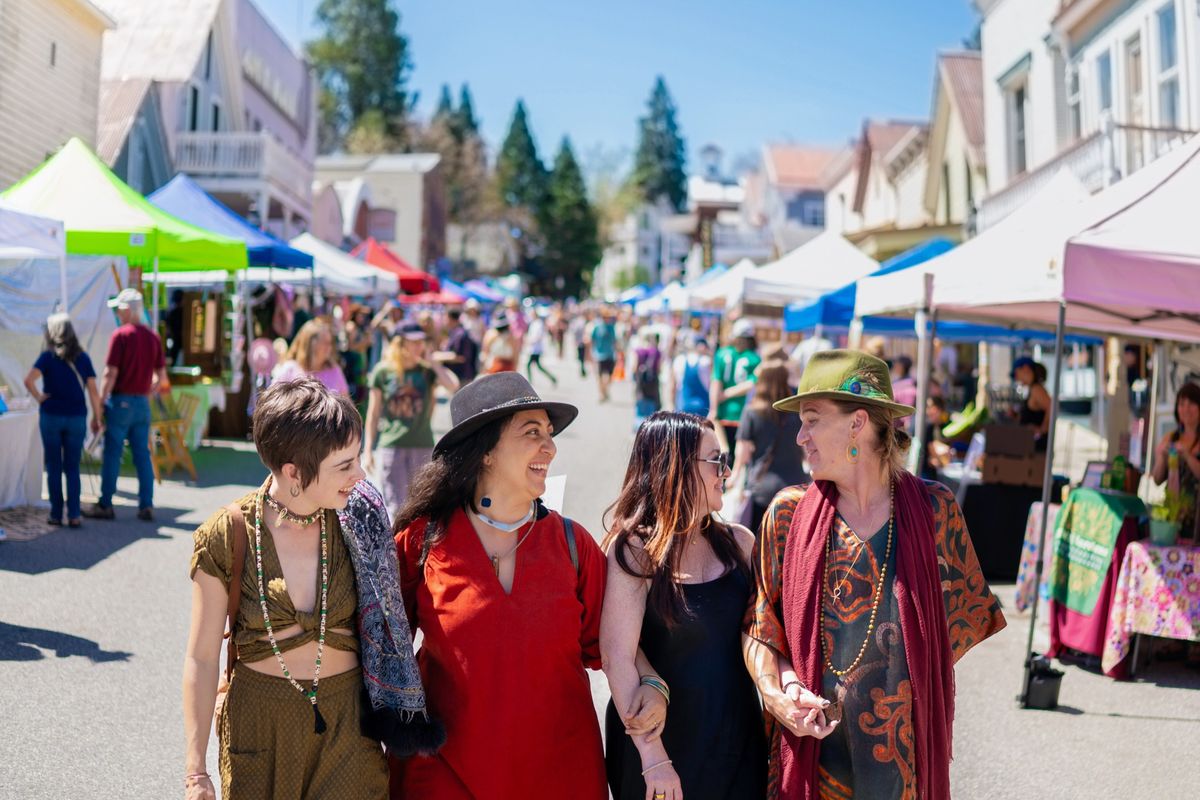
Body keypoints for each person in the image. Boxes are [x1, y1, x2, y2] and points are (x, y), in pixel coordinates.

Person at [742, 349, 1006, 800]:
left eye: (811, 420)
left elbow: (954, 631)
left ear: (857, 424)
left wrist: (898, 690)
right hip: (813, 758)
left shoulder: (935, 511)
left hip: (903, 767)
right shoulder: (787, 515)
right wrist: (780, 691)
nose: (800, 437)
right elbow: (759, 628)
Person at [390, 373, 665, 798]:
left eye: (550, 434)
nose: (550, 447)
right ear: (485, 452)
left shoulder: (574, 546)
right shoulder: (422, 542)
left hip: (561, 775)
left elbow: (613, 650)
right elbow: (384, 652)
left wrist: (653, 687)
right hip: (447, 774)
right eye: (531, 432)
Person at [183, 377, 441, 800]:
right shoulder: (227, 533)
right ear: (294, 473)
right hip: (259, 725)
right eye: (344, 465)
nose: (360, 475)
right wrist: (195, 772)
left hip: (347, 724)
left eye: (358, 460)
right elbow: (201, 655)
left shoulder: (357, 521)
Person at [601, 411, 766, 800]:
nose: (725, 472)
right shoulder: (634, 551)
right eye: (716, 462)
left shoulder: (741, 544)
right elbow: (617, 657)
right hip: (665, 748)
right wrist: (653, 757)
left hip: (738, 741)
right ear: (674, 467)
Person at [83, 289, 165, 522]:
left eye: (120, 309)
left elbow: (110, 373)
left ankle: (105, 503)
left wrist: (100, 403)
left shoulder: (121, 336)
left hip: (121, 402)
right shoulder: (153, 337)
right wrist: (149, 390)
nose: (118, 314)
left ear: (128, 310)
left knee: (113, 453)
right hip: (141, 403)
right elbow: (160, 376)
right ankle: (146, 504)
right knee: (142, 454)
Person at [364, 323, 460, 520]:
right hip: (392, 446)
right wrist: (367, 451)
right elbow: (373, 414)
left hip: (422, 445)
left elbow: (453, 385)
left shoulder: (426, 371)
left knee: (422, 505)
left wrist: (433, 362)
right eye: (413, 342)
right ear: (400, 343)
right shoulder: (383, 372)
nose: (418, 346)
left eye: (421, 342)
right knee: (395, 507)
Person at [23, 313, 103, 527]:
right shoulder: (83, 358)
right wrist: (97, 416)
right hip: (76, 417)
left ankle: (56, 514)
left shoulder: (48, 356)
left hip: (51, 415)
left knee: (54, 465)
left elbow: (28, 380)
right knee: (72, 466)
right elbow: (94, 391)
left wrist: (39, 397)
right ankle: (75, 514)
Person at [729, 359, 809, 536]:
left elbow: (742, 451)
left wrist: (735, 475)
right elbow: (805, 449)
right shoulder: (796, 413)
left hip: (761, 488)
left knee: (757, 543)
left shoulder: (752, 412)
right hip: (794, 488)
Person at [1151, 381, 1200, 539]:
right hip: (1173, 514)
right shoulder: (1170, 438)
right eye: (1181, 404)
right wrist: (1161, 457)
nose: (1186, 409)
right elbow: (1157, 480)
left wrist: (1187, 455)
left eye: (1191, 403)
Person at [711, 319, 760, 449]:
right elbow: (751, 383)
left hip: (723, 412)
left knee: (722, 455)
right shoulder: (754, 358)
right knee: (735, 457)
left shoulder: (722, 353)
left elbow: (716, 382)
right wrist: (724, 396)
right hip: (742, 414)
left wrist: (714, 407)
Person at [274, 319, 351, 396]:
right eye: (325, 342)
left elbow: (346, 403)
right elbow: (274, 400)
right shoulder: (289, 369)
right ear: (311, 345)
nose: (329, 347)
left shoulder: (334, 371)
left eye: (330, 342)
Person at [1011, 356, 1051, 445]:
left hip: (1036, 448)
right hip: (1030, 445)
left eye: (1016, 374)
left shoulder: (1036, 389)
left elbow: (1052, 407)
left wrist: (1042, 429)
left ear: (1025, 368)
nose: (1016, 379)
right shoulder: (1032, 389)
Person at [672, 333, 712, 417]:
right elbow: (712, 385)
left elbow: (673, 386)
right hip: (703, 408)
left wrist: (671, 405)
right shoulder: (706, 361)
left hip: (683, 406)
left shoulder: (679, 360)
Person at [588, 307, 619, 402]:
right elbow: (591, 340)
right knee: (600, 377)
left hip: (610, 355)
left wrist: (618, 352)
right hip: (599, 355)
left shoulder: (611, 327)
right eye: (605, 317)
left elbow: (615, 341)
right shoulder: (597, 327)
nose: (607, 319)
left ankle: (605, 390)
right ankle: (602, 394)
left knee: (610, 377)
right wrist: (590, 354)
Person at [443, 308, 480, 385]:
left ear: (450, 318)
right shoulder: (455, 333)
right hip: (458, 376)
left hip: (462, 378)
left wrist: (439, 356)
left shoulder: (460, 334)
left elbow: (461, 357)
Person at [633, 332, 663, 425]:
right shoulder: (657, 352)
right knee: (652, 406)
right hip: (652, 382)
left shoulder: (638, 350)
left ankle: (638, 428)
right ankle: (650, 427)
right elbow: (658, 369)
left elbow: (634, 367)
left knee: (640, 404)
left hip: (641, 381)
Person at [524, 309, 558, 387]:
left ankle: (530, 381)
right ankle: (552, 378)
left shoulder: (539, 323)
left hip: (536, 348)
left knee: (531, 365)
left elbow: (538, 335)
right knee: (536, 366)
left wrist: (531, 341)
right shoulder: (534, 323)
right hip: (533, 348)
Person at [570, 310, 590, 378]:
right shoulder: (582, 321)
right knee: (582, 356)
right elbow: (576, 331)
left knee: (582, 356)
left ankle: (582, 369)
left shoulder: (579, 321)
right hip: (581, 341)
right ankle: (582, 369)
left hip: (581, 341)